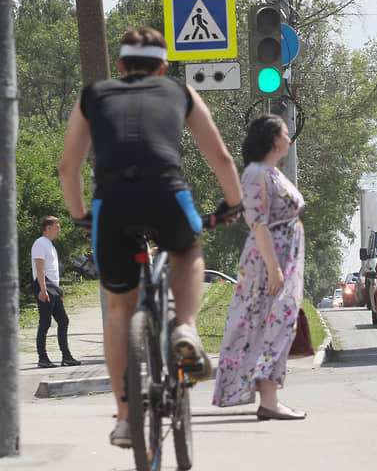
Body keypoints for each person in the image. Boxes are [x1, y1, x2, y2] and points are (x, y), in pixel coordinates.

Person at [59, 26, 243, 447]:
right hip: (166, 194)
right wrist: (232, 204)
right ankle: (186, 328)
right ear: (163, 66)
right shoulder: (180, 92)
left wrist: (80, 216)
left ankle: (125, 418)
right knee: (187, 247)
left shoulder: (93, 94)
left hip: (112, 204)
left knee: (119, 311)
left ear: (120, 65)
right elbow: (221, 156)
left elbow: (68, 167)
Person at [212, 114, 306, 421]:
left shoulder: (271, 172)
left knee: (278, 325)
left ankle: (270, 398)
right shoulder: (255, 173)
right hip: (269, 261)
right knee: (270, 325)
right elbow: (257, 221)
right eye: (285, 133)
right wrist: (274, 268)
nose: (289, 139)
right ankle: (268, 400)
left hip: (283, 259)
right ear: (273, 139)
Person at [31, 215, 81, 368]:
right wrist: (43, 290)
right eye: (57, 227)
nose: (59, 230)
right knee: (45, 323)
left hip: (52, 288)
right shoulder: (40, 243)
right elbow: (40, 269)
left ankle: (66, 357)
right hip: (43, 287)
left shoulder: (50, 245)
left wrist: (58, 290)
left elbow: (51, 270)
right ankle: (43, 358)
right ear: (48, 228)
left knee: (63, 320)